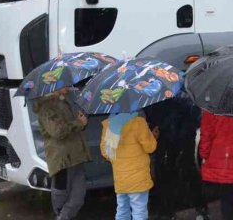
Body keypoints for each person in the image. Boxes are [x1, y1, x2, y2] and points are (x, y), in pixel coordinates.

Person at [146, 87, 210, 220]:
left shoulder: (177, 90)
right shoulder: (160, 90)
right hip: (168, 136)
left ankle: (199, 208)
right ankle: (170, 210)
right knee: (166, 174)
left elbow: (194, 113)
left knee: (185, 171)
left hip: (181, 136)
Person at [33, 86, 91, 220]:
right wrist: (78, 123)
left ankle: (63, 217)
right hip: (62, 159)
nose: (69, 86)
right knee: (61, 196)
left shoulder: (66, 100)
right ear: (56, 86)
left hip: (77, 156)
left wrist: (80, 119)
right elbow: (57, 132)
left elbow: (72, 125)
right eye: (65, 84)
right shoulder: (46, 107)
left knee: (78, 196)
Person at [100, 112, 158, 220]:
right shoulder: (139, 122)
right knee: (139, 211)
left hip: (121, 178)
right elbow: (150, 147)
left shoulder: (109, 124)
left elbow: (106, 152)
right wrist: (152, 136)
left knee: (122, 210)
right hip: (138, 178)